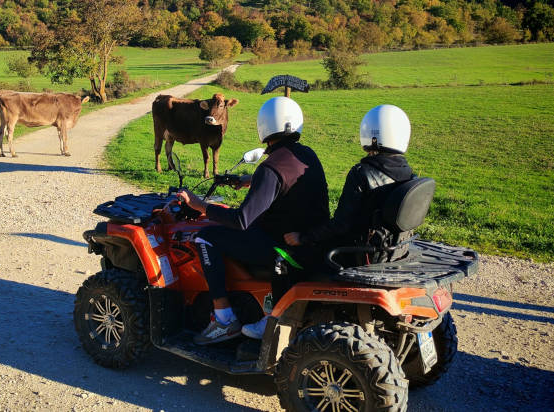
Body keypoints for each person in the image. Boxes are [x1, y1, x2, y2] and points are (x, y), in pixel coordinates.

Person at [177, 96, 329, 344]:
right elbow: (289, 185)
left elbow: (241, 220)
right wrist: (252, 180)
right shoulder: (307, 155)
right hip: (309, 238)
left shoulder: (270, 168)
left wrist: (200, 205)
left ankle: (224, 319)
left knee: (206, 237)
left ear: (264, 126)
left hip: (281, 245)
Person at [283, 104, 415, 265]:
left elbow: (341, 225)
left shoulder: (361, 173)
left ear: (372, 135)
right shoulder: (409, 174)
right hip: (393, 250)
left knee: (293, 258)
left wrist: (303, 237)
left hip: (360, 254)